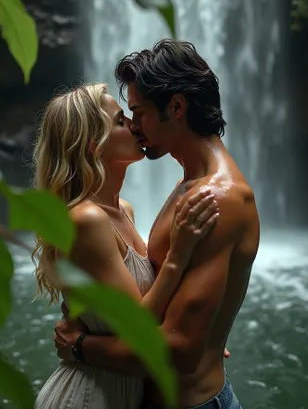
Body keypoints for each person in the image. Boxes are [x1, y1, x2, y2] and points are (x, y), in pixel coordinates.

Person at [54, 40, 260, 409]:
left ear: (177, 107)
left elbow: (179, 351)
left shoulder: (219, 199)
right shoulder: (187, 187)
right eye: (126, 117)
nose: (135, 126)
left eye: (139, 112)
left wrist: (81, 346)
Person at [32, 83, 220, 409]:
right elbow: (140, 327)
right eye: (121, 121)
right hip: (87, 397)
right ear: (94, 145)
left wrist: (198, 336)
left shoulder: (124, 211)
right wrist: (179, 253)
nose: (135, 125)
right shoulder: (87, 220)